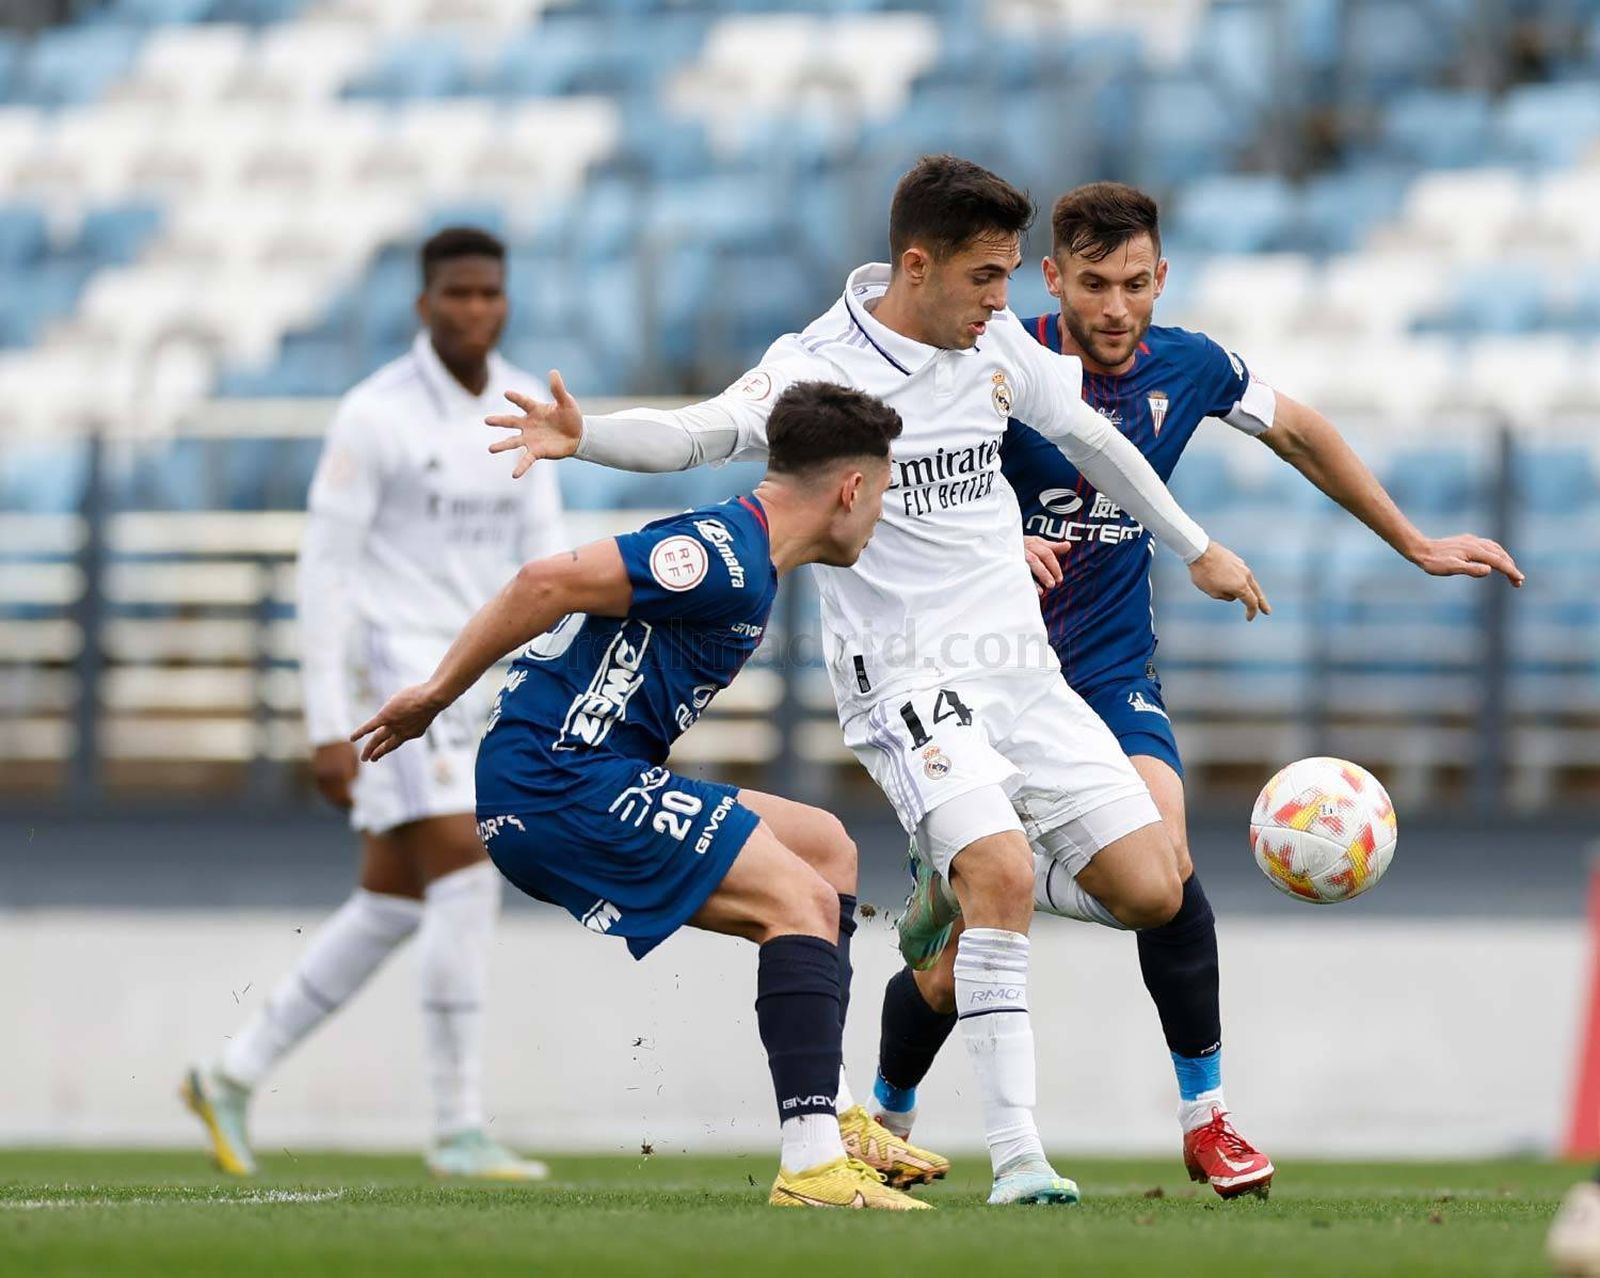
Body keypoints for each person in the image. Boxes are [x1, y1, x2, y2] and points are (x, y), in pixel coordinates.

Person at [484, 155, 1268, 1205]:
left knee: (1150, 888)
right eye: (987, 277)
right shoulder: (819, 363)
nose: (1006, 301)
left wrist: (1194, 545)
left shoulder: (991, 344)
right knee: (997, 866)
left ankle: (961, 880)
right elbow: (701, 432)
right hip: (904, 675)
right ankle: (1021, 1157)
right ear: (917, 265)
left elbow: (1089, 437)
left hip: (1021, 670)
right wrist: (586, 439)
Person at [867, 180, 1524, 1199]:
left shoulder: (1190, 365)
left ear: (1161, 277)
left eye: (1136, 284)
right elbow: (901, 476)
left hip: (1108, 672)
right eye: (1093, 285)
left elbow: (1297, 429)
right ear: (1054, 279)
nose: (1117, 308)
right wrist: (1000, 535)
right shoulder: (995, 357)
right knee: (954, 967)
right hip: (982, 679)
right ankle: (885, 1119)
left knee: (1161, 875)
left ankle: (1206, 1121)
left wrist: (1416, 543)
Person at [353, 380, 929, 1210]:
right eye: (880, 495)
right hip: (558, 780)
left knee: (824, 847)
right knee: (797, 897)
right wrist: (436, 694)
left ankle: (835, 1115)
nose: (878, 518)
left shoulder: (751, 557)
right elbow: (543, 582)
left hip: (594, 771)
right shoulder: (721, 556)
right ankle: (810, 1166)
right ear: (851, 489)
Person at [182, 227, 563, 1180]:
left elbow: (544, 564)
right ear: (423, 304)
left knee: (392, 903)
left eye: (490, 294)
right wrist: (322, 723)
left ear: (505, 301)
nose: (476, 309)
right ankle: (458, 1127)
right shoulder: (372, 414)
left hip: (479, 681)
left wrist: (554, 678)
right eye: (458, 293)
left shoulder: (525, 408)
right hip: (392, 682)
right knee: (470, 872)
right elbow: (326, 573)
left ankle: (231, 1074)